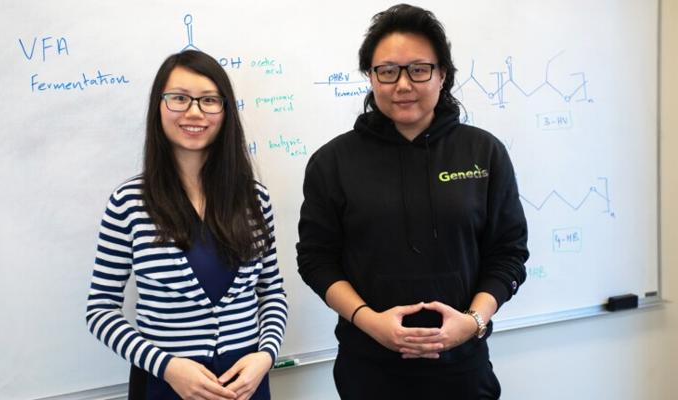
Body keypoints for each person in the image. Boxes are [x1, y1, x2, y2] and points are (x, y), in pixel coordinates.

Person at [296, 4, 529, 399]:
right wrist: (370, 322)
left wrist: (472, 321)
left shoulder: (484, 153)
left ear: (443, 74)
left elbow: (508, 253)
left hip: (463, 368)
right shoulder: (332, 162)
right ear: (371, 77)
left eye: (419, 69)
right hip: (368, 370)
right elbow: (316, 260)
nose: (402, 85)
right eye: (387, 71)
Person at [86, 50, 287, 400]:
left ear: (225, 111)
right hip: (165, 384)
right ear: (159, 106)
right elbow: (100, 309)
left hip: (245, 384)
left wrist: (265, 356)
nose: (194, 112)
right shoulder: (129, 202)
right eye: (179, 98)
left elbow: (272, 293)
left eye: (209, 100)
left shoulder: (254, 199)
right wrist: (166, 366)